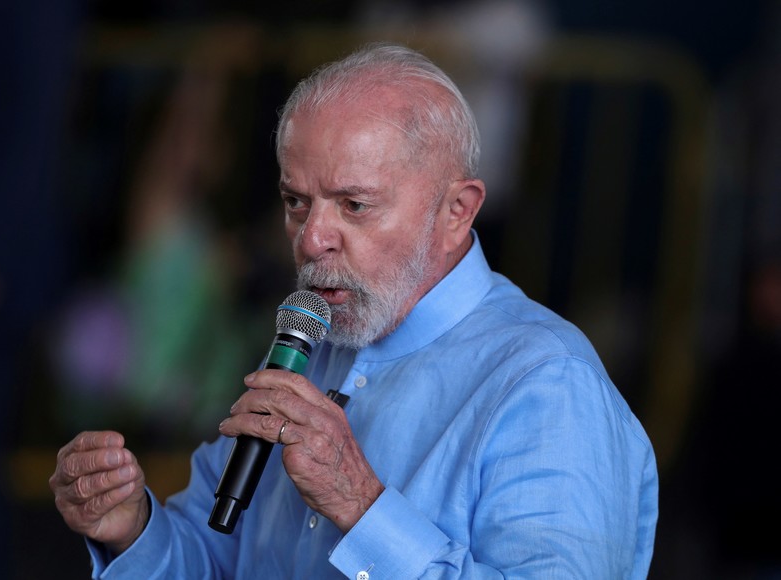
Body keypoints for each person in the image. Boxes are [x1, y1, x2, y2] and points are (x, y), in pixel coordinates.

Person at [50, 42, 658, 578]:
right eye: (296, 201)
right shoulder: (308, 341)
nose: (312, 240)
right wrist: (131, 528)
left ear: (456, 212)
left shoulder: (546, 384)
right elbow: (215, 560)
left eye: (354, 205)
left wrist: (362, 505)